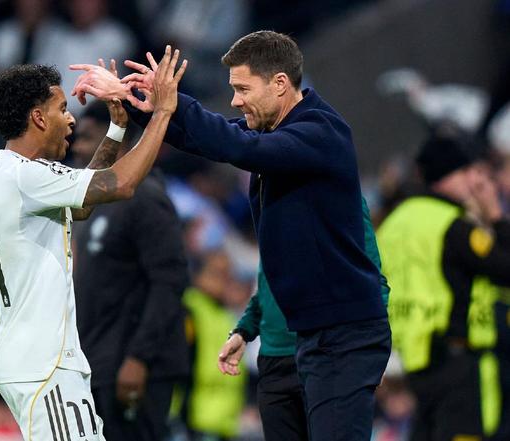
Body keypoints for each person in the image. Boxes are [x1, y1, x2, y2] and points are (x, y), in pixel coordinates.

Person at [71, 30, 391, 440]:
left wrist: (172, 102)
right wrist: (139, 101)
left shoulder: (321, 131)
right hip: (312, 333)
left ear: (280, 83)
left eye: (242, 89)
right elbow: (206, 136)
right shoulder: (278, 132)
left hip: (345, 332)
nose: (236, 100)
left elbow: (236, 146)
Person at [0, 47, 187, 441]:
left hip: (35, 358)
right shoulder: (24, 178)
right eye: (61, 109)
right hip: (44, 362)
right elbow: (122, 184)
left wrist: (118, 129)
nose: (71, 118)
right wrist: (163, 113)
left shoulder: (10, 175)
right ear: (38, 118)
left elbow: (84, 204)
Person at [218, 197, 390, 441]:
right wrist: (244, 331)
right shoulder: (271, 198)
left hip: (326, 355)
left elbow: (372, 279)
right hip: (274, 363)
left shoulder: (341, 192)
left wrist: (369, 348)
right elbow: (268, 284)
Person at [376, 126, 510, 441]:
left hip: (412, 359)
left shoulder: (393, 223)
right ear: (449, 175)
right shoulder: (451, 224)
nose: (473, 181)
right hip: (456, 355)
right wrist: (494, 213)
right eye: (466, 172)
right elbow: (506, 268)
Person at [71, 100, 189, 441]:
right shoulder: (93, 205)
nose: (77, 148)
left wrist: (139, 358)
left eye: (87, 137)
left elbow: (170, 281)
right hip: (100, 364)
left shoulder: (146, 198)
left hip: (133, 368)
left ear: (118, 139)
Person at [181, 251, 247, 441]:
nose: (224, 280)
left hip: (225, 423)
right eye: (216, 273)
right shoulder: (189, 309)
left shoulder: (226, 315)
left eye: (227, 274)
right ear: (199, 275)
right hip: (196, 422)